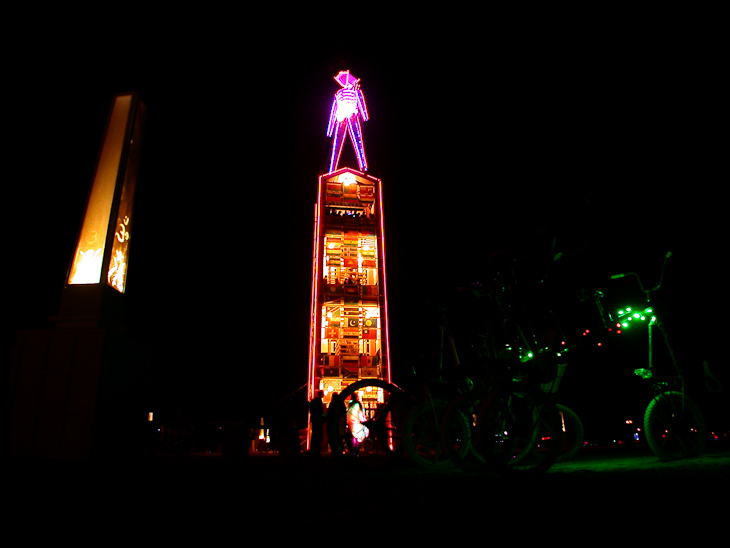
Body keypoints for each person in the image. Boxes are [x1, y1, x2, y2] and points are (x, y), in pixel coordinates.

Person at [308, 390, 326, 456]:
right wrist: (324, 417)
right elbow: (320, 412)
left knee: (315, 435)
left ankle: (314, 450)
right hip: (318, 421)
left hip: (315, 420)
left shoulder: (314, 401)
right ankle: (316, 451)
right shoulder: (318, 402)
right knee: (317, 436)